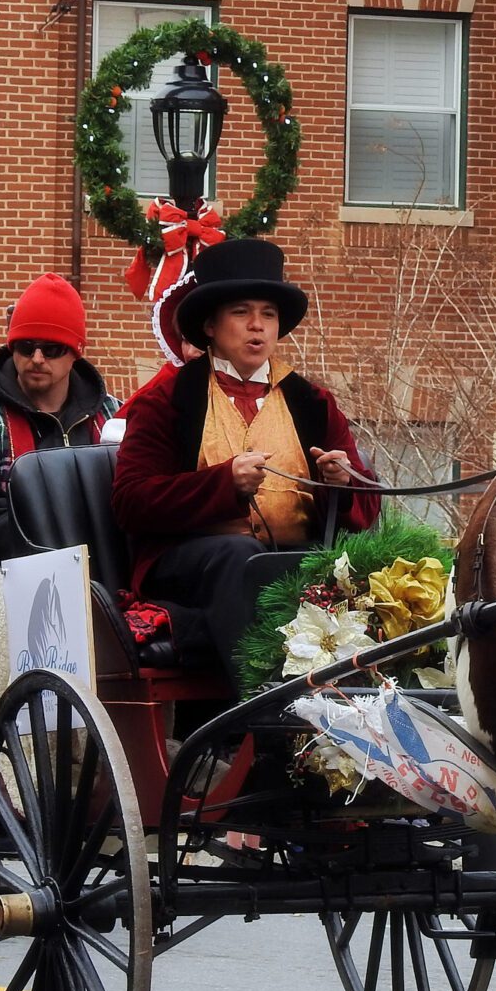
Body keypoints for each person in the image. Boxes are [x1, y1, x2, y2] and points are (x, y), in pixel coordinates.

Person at [111, 238, 380, 690]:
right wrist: (224, 484)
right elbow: (130, 502)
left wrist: (339, 482)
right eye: (241, 312)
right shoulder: (168, 401)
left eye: (268, 314)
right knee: (239, 556)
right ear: (211, 325)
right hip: (193, 563)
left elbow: (366, 509)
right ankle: (260, 707)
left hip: (293, 557)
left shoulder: (312, 402)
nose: (257, 327)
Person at [0, 273, 119, 583]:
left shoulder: (113, 416)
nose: (37, 359)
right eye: (25, 347)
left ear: (76, 351)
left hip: (105, 565)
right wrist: (63, 556)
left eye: (53, 349)